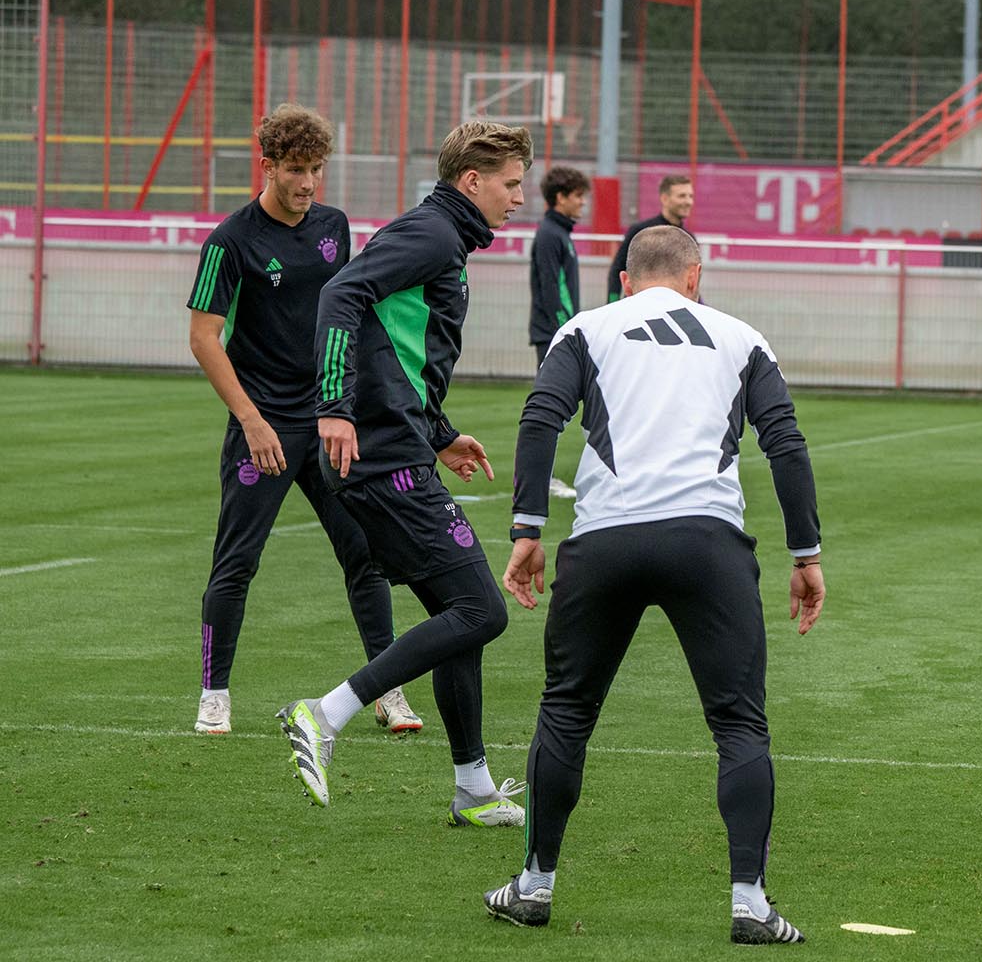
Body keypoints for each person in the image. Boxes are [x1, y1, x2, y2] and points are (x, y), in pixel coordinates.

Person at [485, 225, 824, 945]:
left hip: (604, 539)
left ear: (628, 281)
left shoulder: (586, 328)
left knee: (568, 712)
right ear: (695, 276)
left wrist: (526, 530)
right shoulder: (741, 337)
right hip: (708, 542)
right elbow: (785, 443)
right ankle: (750, 905)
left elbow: (541, 418)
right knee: (739, 723)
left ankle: (535, 887)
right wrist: (806, 554)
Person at [278, 121, 532, 826]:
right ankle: (323, 714)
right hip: (380, 457)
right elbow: (341, 298)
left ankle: (473, 787)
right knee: (482, 610)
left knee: (462, 618)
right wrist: (333, 407)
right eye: (512, 185)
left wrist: (442, 433)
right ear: (472, 181)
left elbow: (399, 349)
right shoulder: (431, 235)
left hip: (399, 446)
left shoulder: (442, 240)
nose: (519, 198)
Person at [183, 104, 420, 737]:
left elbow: (348, 315)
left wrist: (347, 403)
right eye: (295, 169)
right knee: (237, 562)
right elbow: (205, 338)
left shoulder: (334, 227)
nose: (308, 181)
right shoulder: (229, 241)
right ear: (268, 166)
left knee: (365, 555)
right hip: (262, 427)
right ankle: (214, 693)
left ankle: (386, 690)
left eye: (317, 168)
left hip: (327, 424)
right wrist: (251, 421)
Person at [529, 165, 589, 499]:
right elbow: (554, 290)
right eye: (578, 196)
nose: (583, 203)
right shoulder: (550, 235)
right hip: (553, 333)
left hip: (558, 331)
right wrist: (568, 330)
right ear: (560, 197)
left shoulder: (560, 233)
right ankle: (541, 479)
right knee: (548, 406)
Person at [608, 174, 694, 303]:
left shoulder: (689, 238)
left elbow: (692, 282)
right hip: (639, 309)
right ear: (664, 198)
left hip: (674, 311)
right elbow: (617, 269)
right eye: (682, 196)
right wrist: (612, 303)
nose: (688, 201)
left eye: (690, 196)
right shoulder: (640, 231)